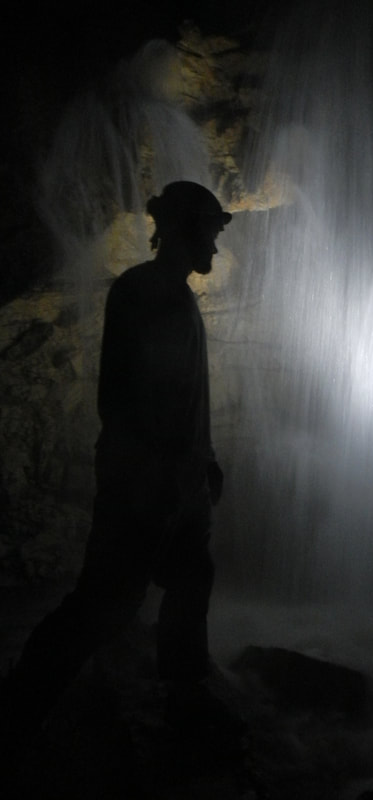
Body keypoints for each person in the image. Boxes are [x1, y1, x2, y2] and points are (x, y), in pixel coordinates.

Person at [1, 181, 239, 748]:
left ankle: (184, 700)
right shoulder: (143, 291)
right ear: (183, 230)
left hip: (176, 483)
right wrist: (156, 481)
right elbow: (129, 400)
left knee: (191, 579)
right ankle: (19, 711)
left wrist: (203, 462)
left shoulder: (173, 294)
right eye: (209, 231)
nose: (215, 245)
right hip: (144, 485)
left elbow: (184, 395)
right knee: (106, 601)